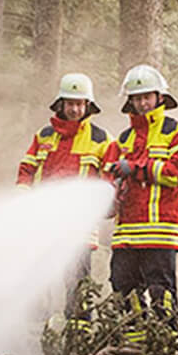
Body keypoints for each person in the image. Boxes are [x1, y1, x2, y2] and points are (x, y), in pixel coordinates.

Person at [17, 72, 117, 334]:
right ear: (60, 104)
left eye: (79, 104)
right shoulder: (44, 136)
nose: (74, 109)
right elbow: (27, 169)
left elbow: (110, 179)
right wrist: (23, 193)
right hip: (44, 226)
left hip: (80, 229)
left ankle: (78, 338)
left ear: (88, 105)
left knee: (78, 286)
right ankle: (36, 337)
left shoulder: (101, 139)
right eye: (70, 103)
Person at [105, 64, 178, 341]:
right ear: (129, 101)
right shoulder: (123, 139)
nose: (143, 103)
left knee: (161, 291)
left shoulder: (177, 132)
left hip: (160, 229)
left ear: (160, 97)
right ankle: (134, 347)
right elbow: (109, 175)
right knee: (123, 287)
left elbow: (177, 173)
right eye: (137, 98)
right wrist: (110, 192)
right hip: (126, 232)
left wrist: (135, 168)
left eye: (147, 97)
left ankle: (165, 344)